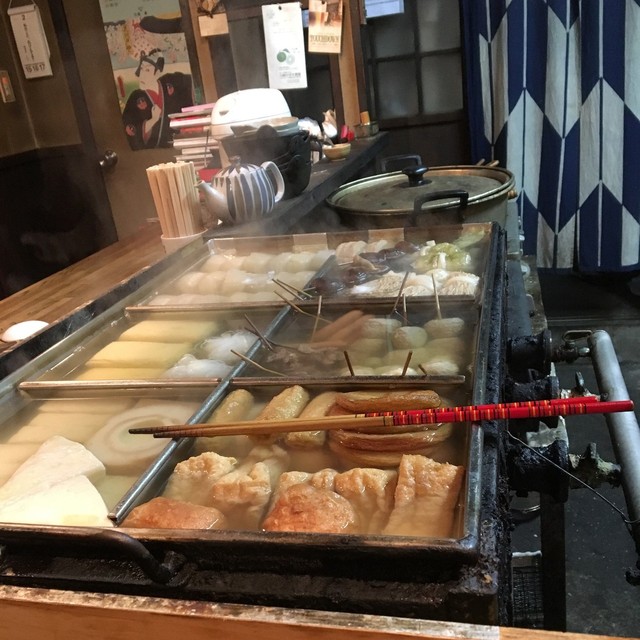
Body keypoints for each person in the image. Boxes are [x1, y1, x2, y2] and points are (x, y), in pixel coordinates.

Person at [122, 49, 192, 150]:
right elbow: (130, 129)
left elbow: (190, 83)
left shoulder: (168, 83)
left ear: (157, 73)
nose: (142, 75)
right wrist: (153, 120)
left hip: (179, 148)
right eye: (141, 69)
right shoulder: (136, 97)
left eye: (147, 70)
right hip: (150, 155)